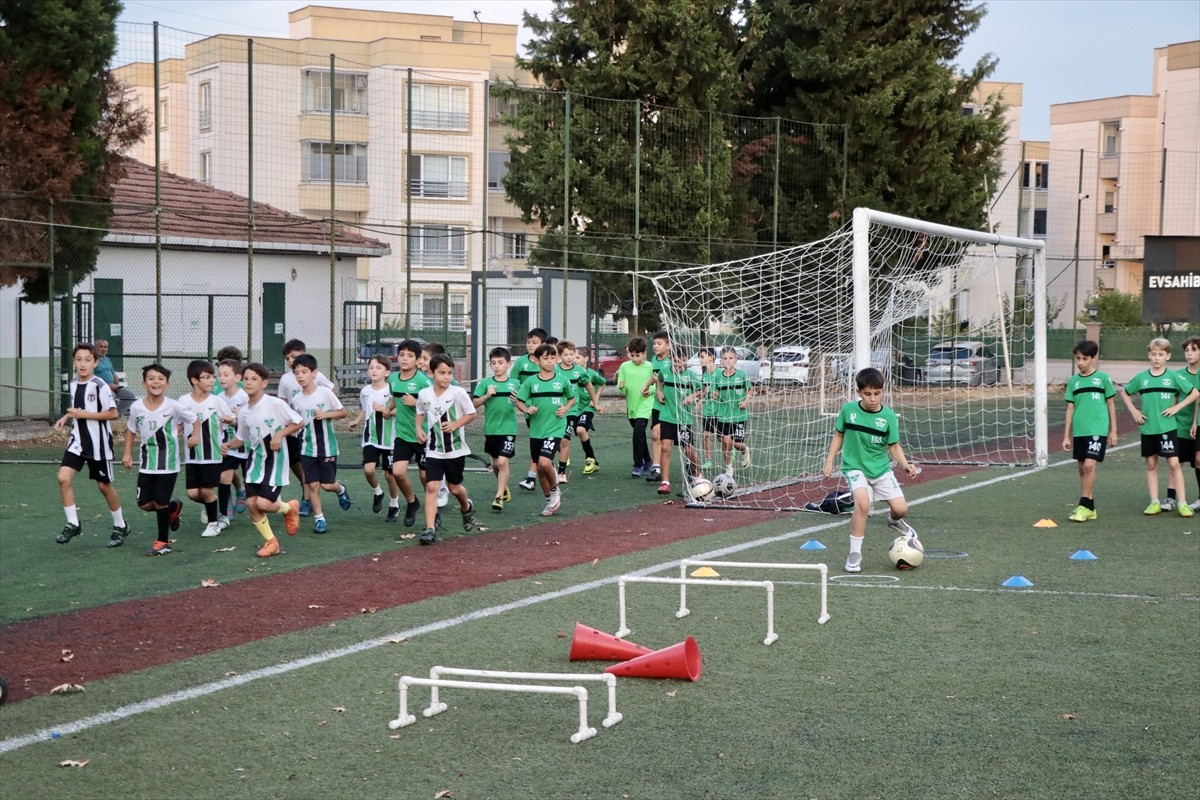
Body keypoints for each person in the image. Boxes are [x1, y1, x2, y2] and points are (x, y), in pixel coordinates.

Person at [821, 367, 920, 573]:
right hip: (854, 467)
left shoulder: (889, 416)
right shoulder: (848, 410)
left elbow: (894, 446)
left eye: (877, 393)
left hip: (880, 469)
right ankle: (854, 554)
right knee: (863, 504)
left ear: (882, 391)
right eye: (867, 394)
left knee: (901, 509)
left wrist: (905, 465)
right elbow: (839, 435)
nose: (872, 398)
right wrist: (829, 460)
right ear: (859, 392)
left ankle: (894, 521)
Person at [221, 363, 303, 557]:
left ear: (264, 383)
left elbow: (299, 422)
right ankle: (271, 542)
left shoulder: (274, 404)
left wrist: (279, 435)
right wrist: (228, 445)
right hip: (255, 463)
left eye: (254, 379)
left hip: (275, 461)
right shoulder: (244, 412)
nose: (249, 382)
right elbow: (242, 438)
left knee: (264, 504)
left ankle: (289, 508)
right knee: (252, 504)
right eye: (246, 379)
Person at [54, 343, 129, 547]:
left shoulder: (100, 385)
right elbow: (78, 408)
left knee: (104, 486)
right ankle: (73, 523)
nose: (83, 364)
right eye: (79, 359)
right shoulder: (73, 383)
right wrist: (66, 417)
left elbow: (113, 413)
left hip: (99, 444)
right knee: (63, 478)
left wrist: (84, 414)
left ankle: (120, 525)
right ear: (73, 361)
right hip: (78, 441)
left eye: (87, 360)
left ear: (95, 363)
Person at [121, 364, 197, 556]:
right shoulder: (137, 407)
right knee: (145, 504)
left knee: (160, 502)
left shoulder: (173, 406)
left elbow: (194, 419)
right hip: (147, 463)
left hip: (168, 464)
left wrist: (194, 435)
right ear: (144, 383)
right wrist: (127, 453)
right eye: (151, 378)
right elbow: (131, 430)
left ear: (167, 384)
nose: (156, 382)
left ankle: (163, 542)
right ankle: (174, 508)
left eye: (161, 379)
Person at [1120, 338, 1199, 517]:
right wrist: (1134, 411)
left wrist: (1177, 408)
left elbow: (1194, 393)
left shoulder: (1173, 377)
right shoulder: (1142, 377)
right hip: (1148, 427)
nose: (1157, 358)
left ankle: (1182, 503)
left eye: (1161, 354)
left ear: (1168, 356)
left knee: (1174, 464)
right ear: (1149, 355)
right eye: (1154, 354)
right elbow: (1125, 392)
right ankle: (1154, 501)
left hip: (1167, 428)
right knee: (1151, 463)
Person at [414, 353, 479, 544]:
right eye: (442, 373)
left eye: (449, 373)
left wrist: (455, 424)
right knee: (432, 486)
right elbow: (420, 411)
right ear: (432, 372)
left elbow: (472, 414)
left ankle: (466, 508)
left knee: (455, 488)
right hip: (433, 450)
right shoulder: (424, 394)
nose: (446, 377)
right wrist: (418, 428)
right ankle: (430, 529)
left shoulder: (458, 393)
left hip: (455, 450)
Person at [275, 339, 337, 517]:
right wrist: (286, 423)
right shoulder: (286, 379)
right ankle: (308, 493)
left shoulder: (317, 376)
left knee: (317, 474)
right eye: (287, 358)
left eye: (293, 356)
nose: (290, 360)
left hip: (314, 431)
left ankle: (307, 498)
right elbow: (283, 402)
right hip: (294, 428)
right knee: (296, 463)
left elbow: (332, 393)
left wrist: (326, 412)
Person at [1061, 341, 1118, 522]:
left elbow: (1111, 404)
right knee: (1081, 467)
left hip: (1098, 430)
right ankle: (1090, 508)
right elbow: (1070, 408)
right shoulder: (1073, 381)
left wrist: (1113, 431)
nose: (1080, 362)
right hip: (1080, 430)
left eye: (1084, 358)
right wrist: (1066, 436)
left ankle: (1083, 504)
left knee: (1089, 466)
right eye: (1077, 358)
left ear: (1093, 358)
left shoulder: (1102, 378)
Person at [515, 343, 575, 516]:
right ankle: (549, 501)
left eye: (552, 358)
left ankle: (555, 490)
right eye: (545, 358)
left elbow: (571, 398)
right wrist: (526, 409)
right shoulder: (530, 382)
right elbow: (519, 401)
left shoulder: (562, 380)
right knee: (541, 469)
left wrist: (566, 408)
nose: (550, 361)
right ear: (537, 360)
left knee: (544, 462)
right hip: (536, 430)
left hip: (555, 427)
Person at [178, 359, 233, 536]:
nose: (212, 380)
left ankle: (213, 523)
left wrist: (231, 421)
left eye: (212, 377)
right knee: (193, 494)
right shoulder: (183, 401)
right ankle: (214, 508)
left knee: (207, 491)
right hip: (192, 456)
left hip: (212, 455)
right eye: (207, 377)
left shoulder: (217, 401)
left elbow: (232, 421)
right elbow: (178, 424)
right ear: (194, 380)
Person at [347, 355, 401, 521]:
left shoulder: (392, 390)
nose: (374, 370)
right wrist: (357, 421)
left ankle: (394, 504)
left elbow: (400, 410)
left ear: (387, 372)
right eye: (371, 367)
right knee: (369, 469)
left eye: (378, 368)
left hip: (390, 439)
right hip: (371, 437)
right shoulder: (365, 391)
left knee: (390, 475)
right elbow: (365, 410)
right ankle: (378, 492)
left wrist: (386, 411)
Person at [387, 339, 434, 528]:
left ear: (417, 360)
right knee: (398, 472)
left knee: (425, 477)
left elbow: (433, 405)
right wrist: (387, 408)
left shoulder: (423, 381)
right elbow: (395, 399)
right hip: (402, 435)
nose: (405, 359)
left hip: (423, 435)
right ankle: (412, 501)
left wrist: (416, 403)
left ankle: (434, 512)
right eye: (401, 355)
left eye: (410, 355)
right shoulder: (393, 379)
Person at [473, 346, 520, 512]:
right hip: (491, 429)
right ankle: (503, 487)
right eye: (494, 363)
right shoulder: (485, 383)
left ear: (508, 364)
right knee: (495, 463)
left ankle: (498, 497)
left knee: (502, 462)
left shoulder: (515, 384)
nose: (497, 366)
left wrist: (518, 401)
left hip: (509, 429)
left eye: (500, 362)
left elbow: (523, 404)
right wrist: (487, 395)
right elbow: (474, 403)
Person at [653, 345, 705, 496]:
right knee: (665, 447)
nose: (679, 364)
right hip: (667, 416)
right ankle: (665, 482)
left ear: (686, 359)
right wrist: (659, 391)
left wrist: (691, 396)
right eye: (675, 361)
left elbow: (702, 390)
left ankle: (698, 475)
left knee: (687, 449)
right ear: (671, 359)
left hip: (684, 419)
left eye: (682, 360)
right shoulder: (664, 372)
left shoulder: (690, 375)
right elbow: (659, 381)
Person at [212, 346, 247, 514]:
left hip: (246, 445)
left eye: (226, 375)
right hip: (228, 444)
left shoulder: (245, 396)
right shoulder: (218, 398)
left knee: (252, 480)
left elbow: (252, 418)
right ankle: (225, 510)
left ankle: (246, 494)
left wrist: (238, 418)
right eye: (219, 375)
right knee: (224, 476)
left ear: (237, 377)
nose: (221, 378)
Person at [514, 327, 549, 491]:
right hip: (529, 410)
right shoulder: (521, 362)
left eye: (534, 342)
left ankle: (532, 477)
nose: (530, 345)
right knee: (538, 443)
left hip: (547, 411)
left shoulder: (548, 363)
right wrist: (518, 398)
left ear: (543, 344)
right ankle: (544, 471)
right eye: (528, 342)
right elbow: (513, 382)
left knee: (542, 443)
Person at [555, 340, 595, 483]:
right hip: (555, 410)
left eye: (571, 354)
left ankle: (561, 472)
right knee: (555, 440)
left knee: (565, 439)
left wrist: (595, 402)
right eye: (566, 355)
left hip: (571, 410)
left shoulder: (579, 371)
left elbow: (589, 385)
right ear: (560, 356)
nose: (569, 357)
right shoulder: (554, 370)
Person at [1168, 337, 1200, 512]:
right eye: (1187, 350)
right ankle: (1170, 497)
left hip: (1197, 423)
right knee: (1176, 460)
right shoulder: (1178, 374)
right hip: (1180, 423)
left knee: (1198, 460)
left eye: (1194, 350)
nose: (1189, 353)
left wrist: (1195, 421)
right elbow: (1174, 398)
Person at [615, 337, 655, 477]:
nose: (635, 359)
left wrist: (650, 390)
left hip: (646, 404)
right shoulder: (624, 367)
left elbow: (656, 384)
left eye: (638, 355)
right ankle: (648, 459)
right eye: (632, 355)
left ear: (644, 354)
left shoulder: (651, 367)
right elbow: (621, 388)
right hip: (632, 405)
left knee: (638, 432)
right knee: (640, 435)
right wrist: (621, 387)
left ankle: (638, 464)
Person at [711, 346, 753, 474]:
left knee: (736, 443)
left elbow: (750, 390)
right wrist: (714, 395)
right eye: (725, 358)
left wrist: (745, 401)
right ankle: (729, 469)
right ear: (721, 361)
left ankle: (745, 449)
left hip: (739, 415)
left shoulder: (741, 375)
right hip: (724, 415)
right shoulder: (718, 377)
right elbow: (713, 392)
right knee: (725, 441)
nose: (728, 361)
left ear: (736, 360)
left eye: (730, 358)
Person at [641, 331, 672, 484]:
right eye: (654, 343)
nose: (655, 346)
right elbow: (656, 377)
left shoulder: (672, 360)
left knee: (681, 441)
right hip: (658, 403)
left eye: (659, 343)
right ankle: (656, 469)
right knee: (655, 434)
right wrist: (646, 386)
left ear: (668, 345)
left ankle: (691, 466)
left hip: (671, 404)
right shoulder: (654, 359)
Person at [574, 346, 606, 475]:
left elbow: (602, 383)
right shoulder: (571, 372)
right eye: (573, 357)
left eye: (577, 357)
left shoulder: (592, 374)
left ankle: (589, 459)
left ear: (586, 358)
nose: (574, 360)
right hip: (573, 408)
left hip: (587, 407)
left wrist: (595, 399)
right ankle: (593, 461)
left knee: (580, 430)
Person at [92, 339, 136, 417]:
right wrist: (107, 386)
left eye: (105, 347)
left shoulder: (107, 360)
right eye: (101, 347)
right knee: (111, 395)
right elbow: (92, 377)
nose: (103, 349)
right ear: (95, 348)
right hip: (100, 388)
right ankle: (108, 415)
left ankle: (118, 415)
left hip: (113, 387)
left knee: (129, 395)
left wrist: (116, 384)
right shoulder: (92, 360)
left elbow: (114, 374)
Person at [696, 347, 720, 469]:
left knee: (721, 438)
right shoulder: (705, 374)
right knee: (706, 435)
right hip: (708, 409)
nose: (700, 359)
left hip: (720, 410)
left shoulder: (720, 373)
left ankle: (731, 449)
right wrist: (696, 397)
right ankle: (708, 460)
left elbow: (726, 390)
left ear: (711, 358)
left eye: (702, 357)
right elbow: (705, 390)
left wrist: (718, 394)